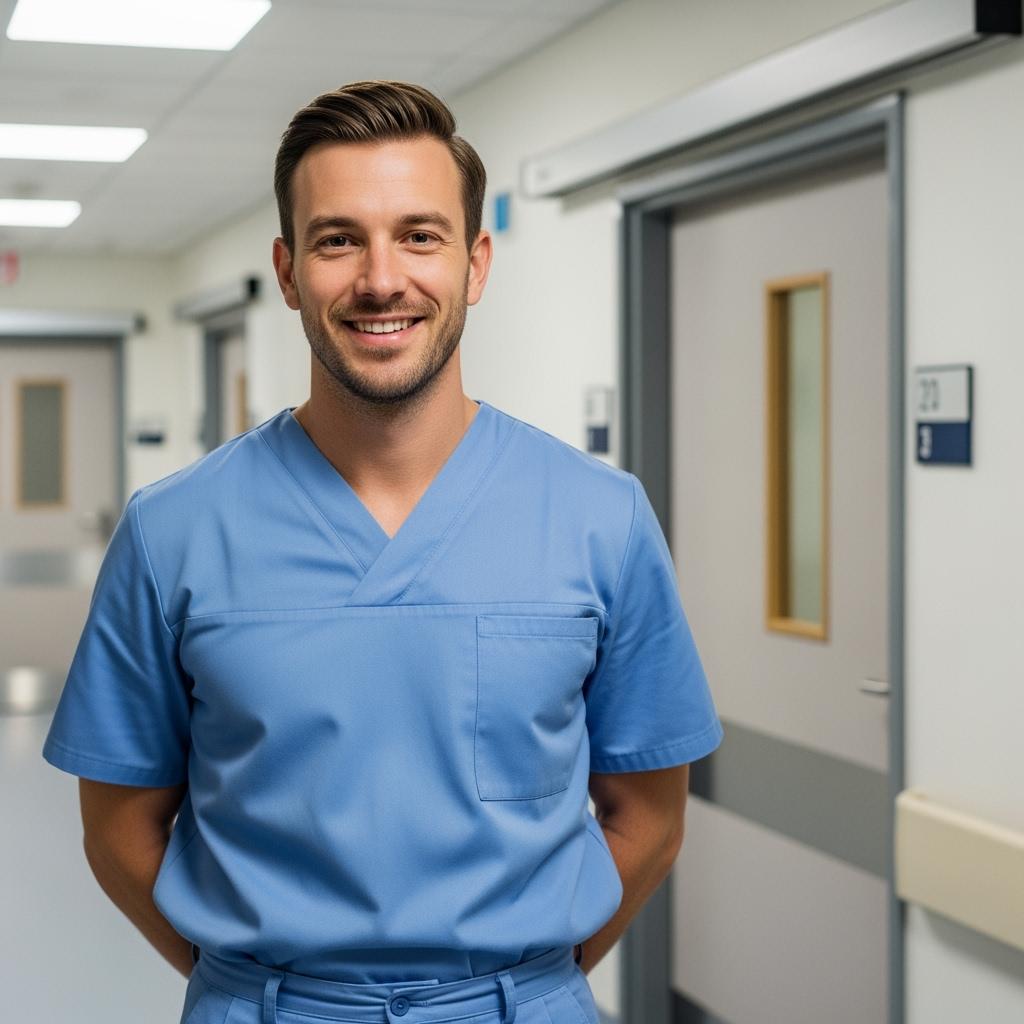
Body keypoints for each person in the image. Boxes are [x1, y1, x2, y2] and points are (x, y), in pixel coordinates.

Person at [42, 80, 723, 1024]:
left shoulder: (598, 516)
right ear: (287, 272)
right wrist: (259, 988)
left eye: (420, 234)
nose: (380, 278)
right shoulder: (175, 532)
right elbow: (120, 829)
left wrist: (518, 987)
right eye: (337, 239)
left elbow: (648, 817)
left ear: (476, 263)